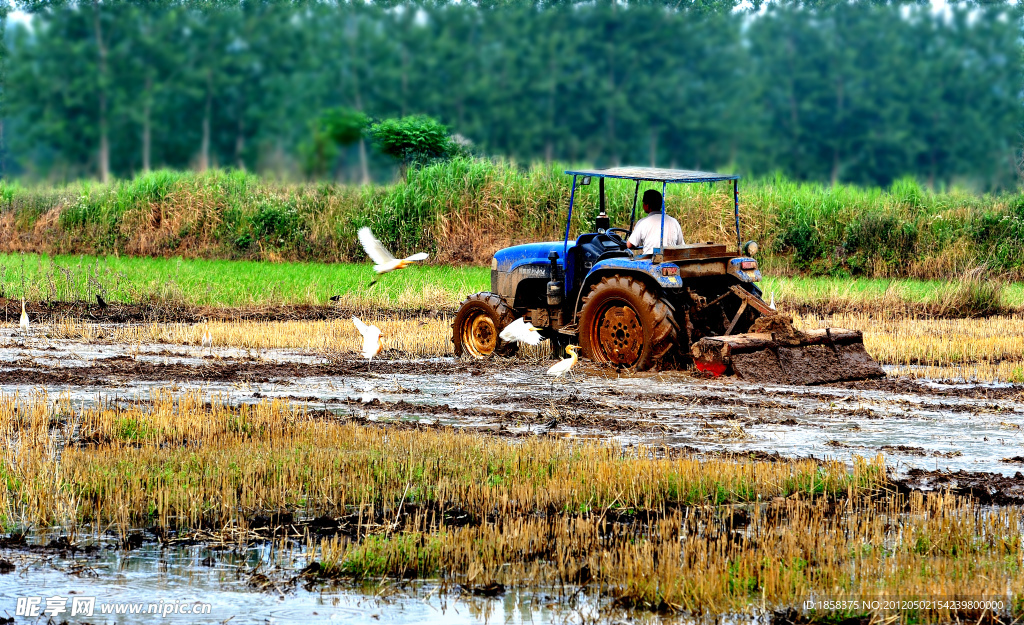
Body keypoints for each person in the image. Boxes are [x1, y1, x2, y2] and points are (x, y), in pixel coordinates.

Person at [626, 189, 684, 255]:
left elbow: (629, 245)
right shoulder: (674, 222)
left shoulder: (643, 223)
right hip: (670, 260)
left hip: (649, 262)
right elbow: (681, 245)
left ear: (647, 205)